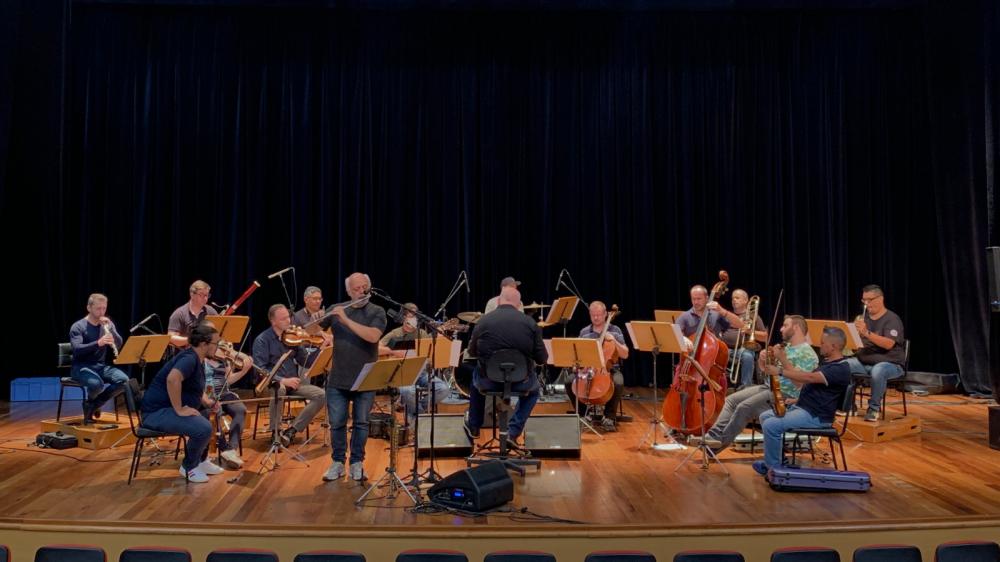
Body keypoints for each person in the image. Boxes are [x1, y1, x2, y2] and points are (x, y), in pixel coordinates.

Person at [692, 315, 818, 451]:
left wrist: (783, 360)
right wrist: (762, 361)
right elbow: (767, 371)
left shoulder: (808, 354)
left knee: (743, 407)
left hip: (785, 395)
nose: (781, 329)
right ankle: (713, 436)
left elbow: (799, 384)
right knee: (730, 400)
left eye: (785, 325)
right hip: (768, 387)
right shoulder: (786, 347)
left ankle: (715, 445)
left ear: (796, 327)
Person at [751, 327, 852, 476]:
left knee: (771, 425)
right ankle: (777, 460)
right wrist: (798, 399)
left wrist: (779, 371)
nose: (820, 345)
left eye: (823, 343)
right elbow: (819, 390)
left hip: (816, 416)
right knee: (765, 416)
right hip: (805, 408)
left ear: (834, 346)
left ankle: (773, 469)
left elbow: (809, 378)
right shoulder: (829, 363)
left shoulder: (840, 369)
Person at [318, 273, 387, 482]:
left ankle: (357, 462)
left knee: (361, 423)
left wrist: (345, 320)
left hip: (365, 379)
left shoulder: (377, 311)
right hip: (338, 377)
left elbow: (373, 336)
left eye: (364, 287)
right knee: (337, 423)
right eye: (356, 288)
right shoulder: (337, 308)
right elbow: (313, 330)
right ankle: (338, 462)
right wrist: (314, 323)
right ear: (349, 291)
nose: (361, 291)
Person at [464, 286, 548, 449]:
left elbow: (472, 352)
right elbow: (542, 358)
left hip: (489, 383)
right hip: (520, 382)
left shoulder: (483, 321)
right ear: (518, 305)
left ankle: (474, 425)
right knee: (534, 391)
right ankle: (513, 432)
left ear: (499, 301)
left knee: (476, 377)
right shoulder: (530, 323)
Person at [141, 323, 223, 483]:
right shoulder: (189, 359)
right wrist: (179, 409)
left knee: (208, 414)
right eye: (215, 343)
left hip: (166, 409)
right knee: (203, 428)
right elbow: (173, 379)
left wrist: (207, 402)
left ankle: (201, 461)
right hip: (156, 413)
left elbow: (192, 389)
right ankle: (188, 467)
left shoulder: (197, 358)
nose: (217, 347)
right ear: (204, 344)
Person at [253, 304, 326, 447]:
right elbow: (260, 369)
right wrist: (283, 380)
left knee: (321, 395)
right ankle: (276, 432)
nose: (289, 321)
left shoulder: (292, 337)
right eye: (283, 319)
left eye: (289, 317)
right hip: (269, 384)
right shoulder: (262, 340)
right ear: (273, 321)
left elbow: (307, 361)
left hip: (293, 384)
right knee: (279, 389)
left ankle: (292, 431)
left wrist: (320, 349)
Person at [378, 304, 450, 424]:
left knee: (443, 389)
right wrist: (394, 352)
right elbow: (376, 349)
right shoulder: (395, 333)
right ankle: (421, 417)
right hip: (403, 374)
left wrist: (439, 338)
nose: (412, 320)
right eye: (409, 317)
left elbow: (430, 353)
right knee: (407, 391)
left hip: (421, 373)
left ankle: (415, 410)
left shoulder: (421, 333)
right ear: (403, 318)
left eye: (414, 317)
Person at [564, 301, 630, 432]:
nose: (596, 318)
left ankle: (609, 417)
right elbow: (577, 354)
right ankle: (583, 415)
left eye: (599, 315)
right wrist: (576, 365)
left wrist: (614, 341)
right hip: (588, 368)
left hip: (609, 369)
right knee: (569, 381)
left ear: (605, 314)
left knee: (618, 382)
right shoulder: (584, 332)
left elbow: (625, 354)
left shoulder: (615, 330)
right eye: (593, 315)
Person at [847, 284, 907, 421]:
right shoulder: (863, 318)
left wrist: (866, 333)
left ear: (880, 299)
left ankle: (873, 409)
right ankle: (849, 406)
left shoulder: (892, 319)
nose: (866, 304)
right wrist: (852, 337)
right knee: (843, 365)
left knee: (878, 371)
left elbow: (888, 344)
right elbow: (855, 346)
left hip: (890, 364)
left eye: (870, 300)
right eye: (864, 301)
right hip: (865, 362)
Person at [68, 293, 128, 424]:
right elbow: (77, 349)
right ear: (89, 308)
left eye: (104, 308)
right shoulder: (78, 326)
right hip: (81, 367)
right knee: (97, 384)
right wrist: (98, 343)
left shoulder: (107, 324)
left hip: (100, 366)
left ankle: (93, 405)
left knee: (124, 381)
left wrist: (111, 330)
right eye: (98, 308)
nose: (102, 312)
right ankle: (92, 406)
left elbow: (119, 343)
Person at [201, 343, 253, 469]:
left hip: (224, 393)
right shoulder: (201, 359)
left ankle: (232, 449)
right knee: (215, 413)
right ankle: (224, 448)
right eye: (221, 347)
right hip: (207, 394)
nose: (224, 351)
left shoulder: (224, 360)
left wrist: (244, 370)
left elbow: (228, 379)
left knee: (240, 410)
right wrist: (208, 399)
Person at [718, 289, 767, 388]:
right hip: (725, 348)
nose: (734, 300)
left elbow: (765, 337)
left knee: (747, 356)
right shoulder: (728, 315)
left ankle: (746, 386)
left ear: (746, 301)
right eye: (732, 298)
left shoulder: (754, 317)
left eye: (737, 298)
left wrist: (749, 331)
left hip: (743, 349)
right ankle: (717, 383)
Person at [168, 280, 219, 349]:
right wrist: (192, 339)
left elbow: (219, 331)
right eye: (201, 295)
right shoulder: (179, 314)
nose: (205, 298)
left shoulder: (211, 311)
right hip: (186, 355)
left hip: (206, 354)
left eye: (207, 295)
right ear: (192, 294)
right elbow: (171, 338)